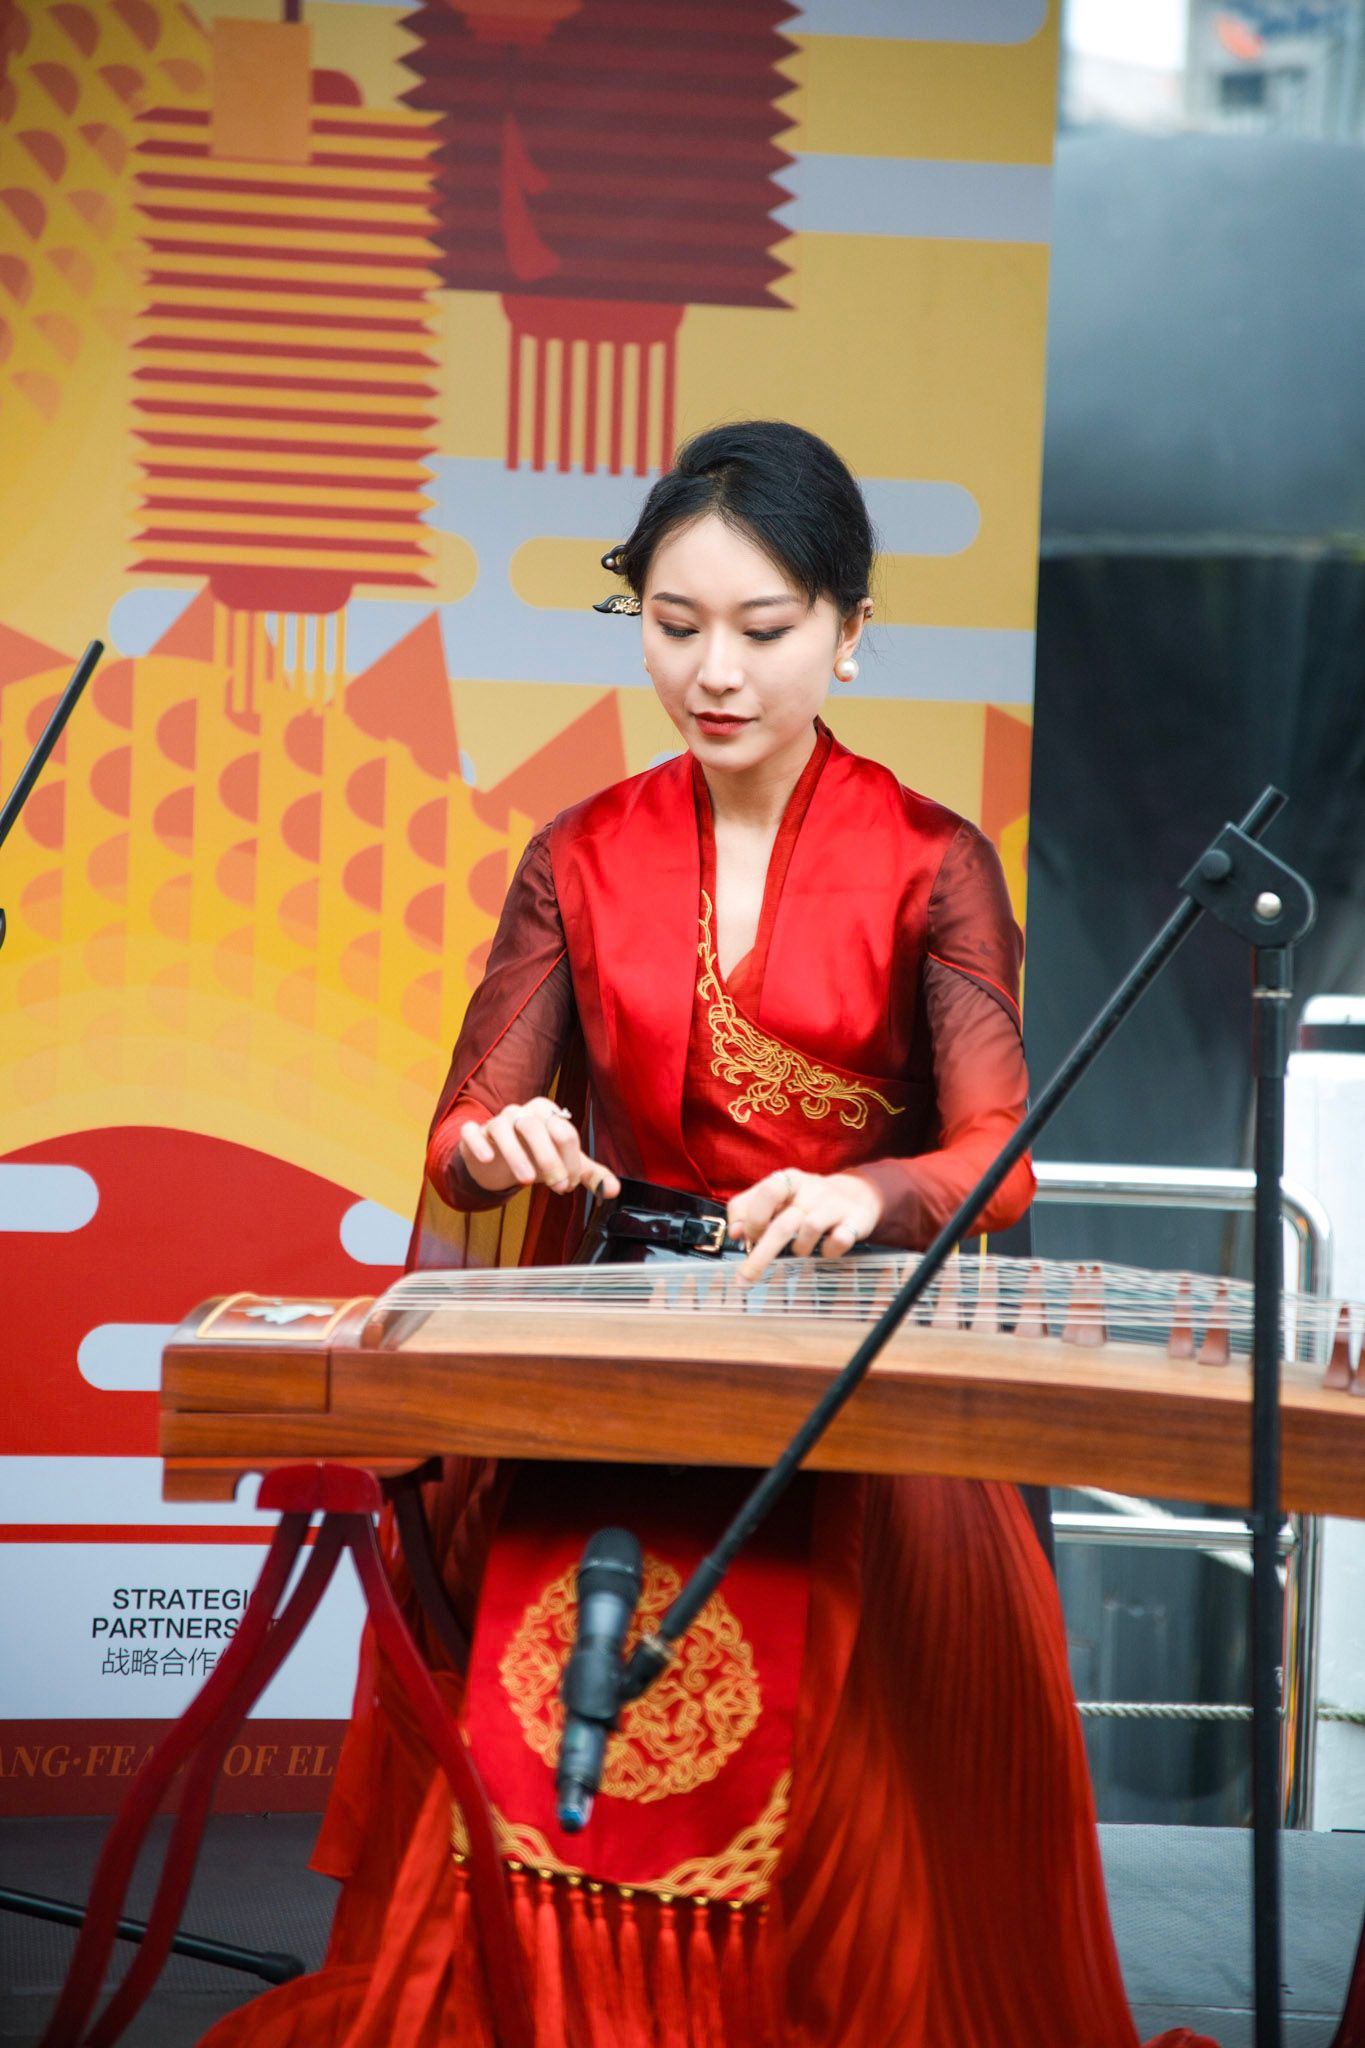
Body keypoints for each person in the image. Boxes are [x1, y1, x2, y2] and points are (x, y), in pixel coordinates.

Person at [201, 422, 1217, 2047]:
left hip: (852, 1370)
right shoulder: (579, 856)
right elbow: (461, 1140)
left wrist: (866, 1193)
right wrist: (501, 1141)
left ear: (848, 631)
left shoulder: (927, 862)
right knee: (550, 1735)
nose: (714, 671)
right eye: (675, 626)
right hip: (621, 1351)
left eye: (763, 628)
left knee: (867, 1821)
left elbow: (997, 1159)